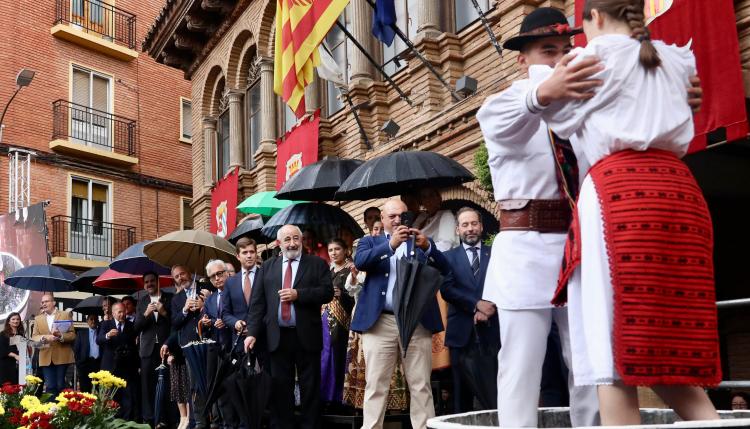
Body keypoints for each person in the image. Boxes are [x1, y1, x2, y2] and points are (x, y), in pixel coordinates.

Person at [532, 0, 721, 424]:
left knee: (611, 348)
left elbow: (554, 116)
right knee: (663, 338)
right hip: (679, 193)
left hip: (622, 196)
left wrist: (545, 85)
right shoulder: (676, 59)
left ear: (595, 17)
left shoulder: (590, 59)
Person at [352, 199, 450, 429]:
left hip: (416, 321)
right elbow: (361, 261)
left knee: (420, 384)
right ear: (383, 219)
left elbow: (445, 268)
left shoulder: (421, 241)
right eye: (392, 216)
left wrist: (429, 247)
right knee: (376, 385)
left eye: (402, 216)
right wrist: (390, 246)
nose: (398, 221)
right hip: (380, 322)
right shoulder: (370, 241)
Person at [244, 224, 334, 429]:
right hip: (276, 337)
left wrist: (299, 294)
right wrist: (251, 334)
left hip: (307, 336)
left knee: (309, 388)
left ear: (301, 240)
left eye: (296, 238)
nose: (292, 243)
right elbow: (257, 304)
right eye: (287, 239)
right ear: (279, 243)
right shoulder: (268, 266)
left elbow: (327, 292)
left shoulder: (317, 264)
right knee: (279, 389)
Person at [440, 207, 499, 412]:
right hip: (460, 336)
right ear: (457, 230)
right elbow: (447, 289)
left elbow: (504, 284)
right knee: (460, 397)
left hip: (493, 332)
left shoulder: (495, 253)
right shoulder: (447, 257)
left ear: (481, 226)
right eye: (465, 225)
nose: (470, 229)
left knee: (495, 393)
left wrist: (488, 308)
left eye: (474, 224)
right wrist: (476, 304)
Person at [170, 264, 209, 429]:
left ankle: (215, 420)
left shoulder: (205, 288)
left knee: (210, 381)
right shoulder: (177, 299)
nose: (180, 278)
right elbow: (175, 323)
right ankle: (199, 421)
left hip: (208, 341)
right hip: (189, 347)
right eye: (177, 277)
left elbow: (217, 308)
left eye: (182, 274)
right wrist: (185, 310)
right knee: (194, 385)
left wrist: (204, 305)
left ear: (190, 272)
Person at [202, 259, 240, 428]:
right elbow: (208, 318)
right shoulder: (210, 300)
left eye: (219, 273)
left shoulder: (238, 293)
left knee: (237, 389)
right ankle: (227, 424)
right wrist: (208, 321)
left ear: (227, 273)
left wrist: (228, 322)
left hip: (236, 347)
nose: (217, 278)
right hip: (218, 350)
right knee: (222, 391)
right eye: (212, 277)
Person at [134, 271, 172, 427]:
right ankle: (148, 419)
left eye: (152, 281)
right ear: (144, 285)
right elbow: (136, 327)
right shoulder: (142, 301)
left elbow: (175, 322)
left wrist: (163, 312)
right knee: (147, 386)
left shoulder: (169, 298)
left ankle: (164, 418)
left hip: (165, 348)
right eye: (146, 282)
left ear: (158, 282)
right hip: (147, 350)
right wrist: (146, 313)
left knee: (166, 383)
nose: (149, 284)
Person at [321, 239, 355, 407]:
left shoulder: (351, 270)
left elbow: (356, 296)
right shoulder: (328, 270)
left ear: (345, 250)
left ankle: (338, 397)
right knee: (324, 355)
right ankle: (325, 395)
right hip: (324, 319)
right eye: (330, 250)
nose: (333, 253)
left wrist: (341, 294)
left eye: (337, 249)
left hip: (342, 321)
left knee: (338, 355)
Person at [97, 302, 137, 419]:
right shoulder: (106, 324)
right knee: (108, 396)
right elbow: (99, 340)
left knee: (127, 396)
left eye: (123, 311)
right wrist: (108, 335)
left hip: (126, 367)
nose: (122, 314)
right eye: (119, 312)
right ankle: (109, 421)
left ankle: (126, 421)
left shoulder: (131, 325)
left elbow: (134, 347)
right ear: (113, 313)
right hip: (110, 366)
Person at [31, 293, 75, 397]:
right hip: (45, 356)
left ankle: (63, 410)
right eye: (42, 302)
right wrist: (44, 337)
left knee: (60, 385)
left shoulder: (65, 314)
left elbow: (73, 335)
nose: (44, 304)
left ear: (54, 303)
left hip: (62, 356)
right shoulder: (38, 318)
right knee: (50, 386)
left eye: (46, 301)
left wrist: (60, 335)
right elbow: (34, 337)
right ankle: (52, 412)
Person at [223, 238, 260, 348]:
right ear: (238, 256)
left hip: (263, 340)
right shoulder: (230, 282)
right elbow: (225, 313)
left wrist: (254, 329)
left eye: (252, 252)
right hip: (239, 342)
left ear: (256, 254)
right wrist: (236, 323)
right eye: (245, 252)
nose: (249, 256)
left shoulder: (265, 276)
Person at [413, 188, 458, 252]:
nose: (427, 200)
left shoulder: (446, 215)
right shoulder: (421, 217)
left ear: (438, 198)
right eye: (424, 197)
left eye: (431, 195)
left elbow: (446, 245)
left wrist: (426, 246)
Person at [73, 314, 100, 392]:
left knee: (98, 390)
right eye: (91, 319)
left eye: (95, 319)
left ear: (98, 321)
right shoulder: (81, 333)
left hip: (98, 364)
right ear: (87, 321)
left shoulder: (101, 333)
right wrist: (79, 364)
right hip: (85, 364)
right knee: (85, 389)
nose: (93, 321)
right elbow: (76, 349)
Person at [0, 312, 24, 384]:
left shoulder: (21, 334)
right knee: (7, 387)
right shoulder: (3, 334)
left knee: (18, 386)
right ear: (9, 322)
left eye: (18, 319)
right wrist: (15, 356)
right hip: (6, 365)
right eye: (13, 319)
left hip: (19, 365)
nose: (16, 321)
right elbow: (2, 349)